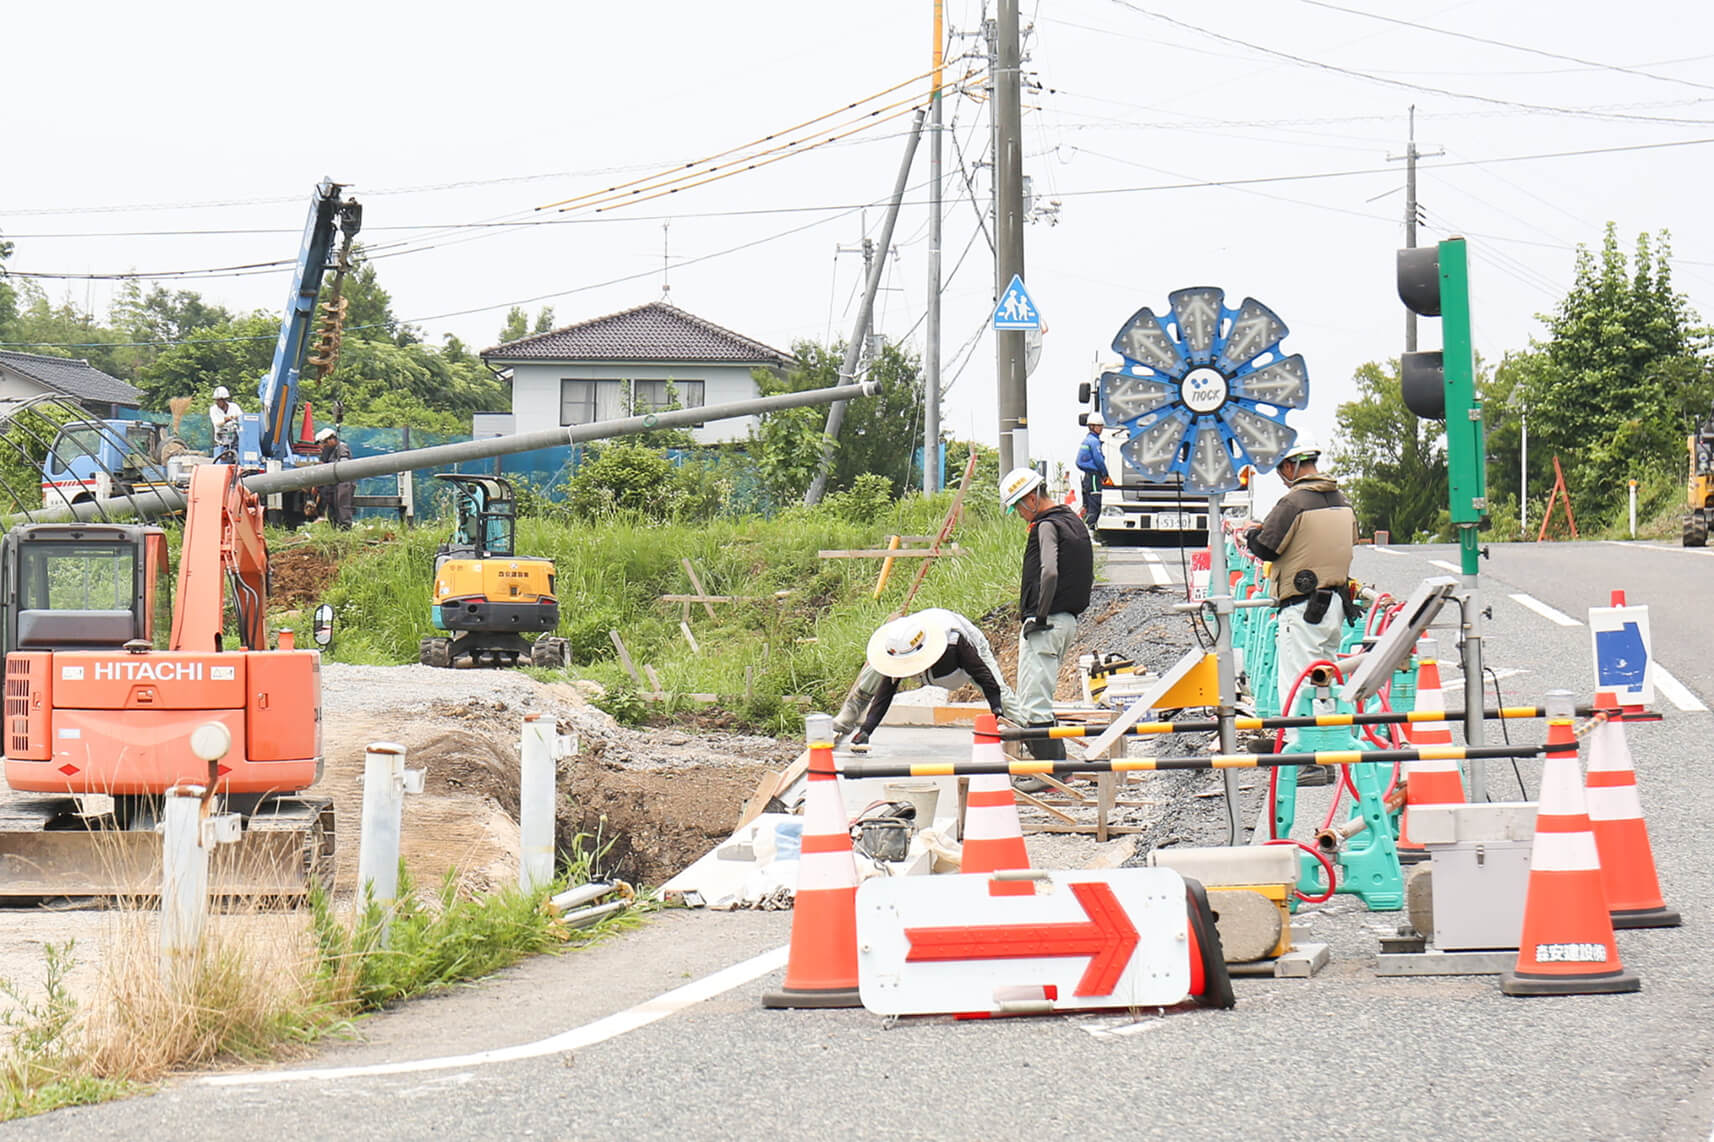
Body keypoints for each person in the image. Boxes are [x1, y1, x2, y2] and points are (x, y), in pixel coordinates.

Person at [1242, 435, 1357, 784]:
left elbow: (1266, 547)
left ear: (1291, 466)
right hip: (1335, 604)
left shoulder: (1293, 502)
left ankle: (1306, 760)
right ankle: (1325, 756)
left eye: (1281, 469)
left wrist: (1251, 534)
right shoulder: (1342, 501)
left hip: (1302, 606)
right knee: (1324, 684)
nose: (1282, 476)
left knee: (1296, 684)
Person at [831, 609, 1025, 752]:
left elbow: (985, 677)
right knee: (877, 667)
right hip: (926, 636)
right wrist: (866, 730)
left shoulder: (954, 644)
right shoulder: (900, 644)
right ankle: (851, 711)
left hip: (966, 650)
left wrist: (997, 713)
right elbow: (886, 691)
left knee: (1002, 694)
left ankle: (1027, 733)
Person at [999, 466, 1094, 761]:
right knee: (1040, 697)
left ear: (1030, 499)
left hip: (1047, 622)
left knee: (1033, 704)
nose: (1019, 514)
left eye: (1017, 507)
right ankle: (1055, 768)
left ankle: (1050, 773)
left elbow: (1050, 572)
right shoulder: (1074, 521)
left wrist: (1038, 617)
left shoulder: (1046, 526)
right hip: (1067, 621)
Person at [1074, 411, 1111, 529]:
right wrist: (1105, 473)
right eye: (1098, 426)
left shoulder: (1087, 440)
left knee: (1089, 503)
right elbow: (1099, 460)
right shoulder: (1094, 442)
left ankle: (1088, 529)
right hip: (1094, 475)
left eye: (1101, 426)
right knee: (1095, 502)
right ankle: (1090, 529)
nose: (1101, 428)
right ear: (1091, 426)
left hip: (1088, 476)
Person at [315, 426, 356, 529]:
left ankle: (345, 529)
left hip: (343, 483)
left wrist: (326, 466)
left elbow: (343, 465)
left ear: (332, 439)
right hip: (332, 485)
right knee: (332, 510)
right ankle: (334, 528)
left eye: (324, 443)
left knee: (342, 506)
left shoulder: (341, 448)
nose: (322, 446)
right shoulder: (328, 452)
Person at [208, 386, 242, 456]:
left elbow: (241, 417)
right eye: (216, 400)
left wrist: (235, 418)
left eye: (219, 400)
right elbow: (217, 424)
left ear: (224, 400)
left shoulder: (234, 407)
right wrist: (226, 420)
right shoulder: (213, 409)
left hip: (236, 439)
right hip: (221, 441)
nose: (217, 402)